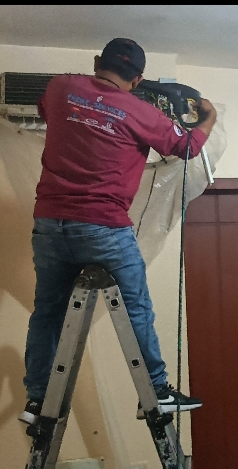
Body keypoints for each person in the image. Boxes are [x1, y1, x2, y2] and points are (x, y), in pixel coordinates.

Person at [20, 38, 218, 425]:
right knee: (136, 307)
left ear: (98, 61)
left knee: (47, 313)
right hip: (103, 228)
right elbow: (188, 147)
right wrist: (207, 117)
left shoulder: (61, 87)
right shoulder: (141, 112)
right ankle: (156, 392)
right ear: (138, 79)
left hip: (50, 225)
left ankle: (38, 400)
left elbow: (46, 111)